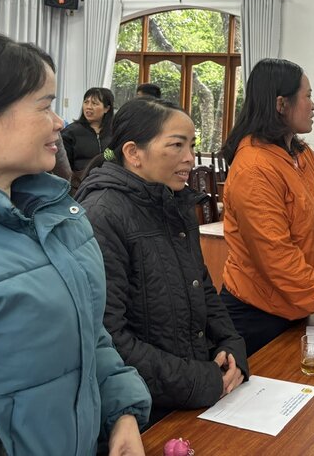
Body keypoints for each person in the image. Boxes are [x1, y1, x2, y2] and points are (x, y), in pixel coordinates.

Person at [0, 30, 151, 455]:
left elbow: (87, 333)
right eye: (45, 106)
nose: (60, 122)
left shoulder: (58, 215)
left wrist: (122, 413)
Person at [77, 98, 248, 425]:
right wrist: (198, 380)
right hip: (142, 409)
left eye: (192, 145)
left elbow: (204, 289)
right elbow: (109, 336)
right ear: (133, 153)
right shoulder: (102, 215)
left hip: (193, 393)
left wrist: (230, 344)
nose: (189, 158)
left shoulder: (174, 204)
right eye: (177, 145)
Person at [219, 58, 314, 356]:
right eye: (307, 96)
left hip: (295, 305)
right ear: (281, 104)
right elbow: (276, 257)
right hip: (256, 315)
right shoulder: (254, 169)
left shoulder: (302, 154)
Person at [62, 86, 115, 188]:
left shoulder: (115, 132)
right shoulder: (70, 132)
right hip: (79, 187)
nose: (88, 107)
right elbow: (64, 167)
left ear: (107, 109)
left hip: (110, 185)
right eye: (86, 102)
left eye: (94, 103)